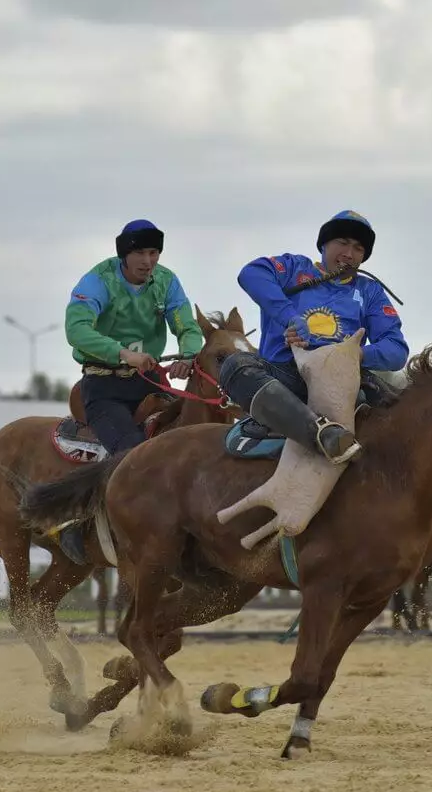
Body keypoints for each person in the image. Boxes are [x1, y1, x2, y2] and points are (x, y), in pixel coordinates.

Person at [48, 218, 204, 563]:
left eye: (154, 253)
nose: (148, 261)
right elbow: (76, 330)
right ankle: (80, 520)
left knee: (195, 435)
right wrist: (124, 354)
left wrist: (190, 354)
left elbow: (187, 326)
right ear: (124, 255)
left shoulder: (167, 282)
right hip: (104, 386)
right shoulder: (97, 281)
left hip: (153, 383)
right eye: (140, 253)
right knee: (134, 452)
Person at [218, 210, 408, 465]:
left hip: (345, 380)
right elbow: (251, 273)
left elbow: (396, 350)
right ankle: (323, 435)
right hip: (286, 375)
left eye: (358, 248)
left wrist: (356, 353)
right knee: (235, 365)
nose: (349, 254)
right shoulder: (295, 267)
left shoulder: (370, 291)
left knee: (413, 410)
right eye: (342, 243)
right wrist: (289, 317)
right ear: (324, 244)